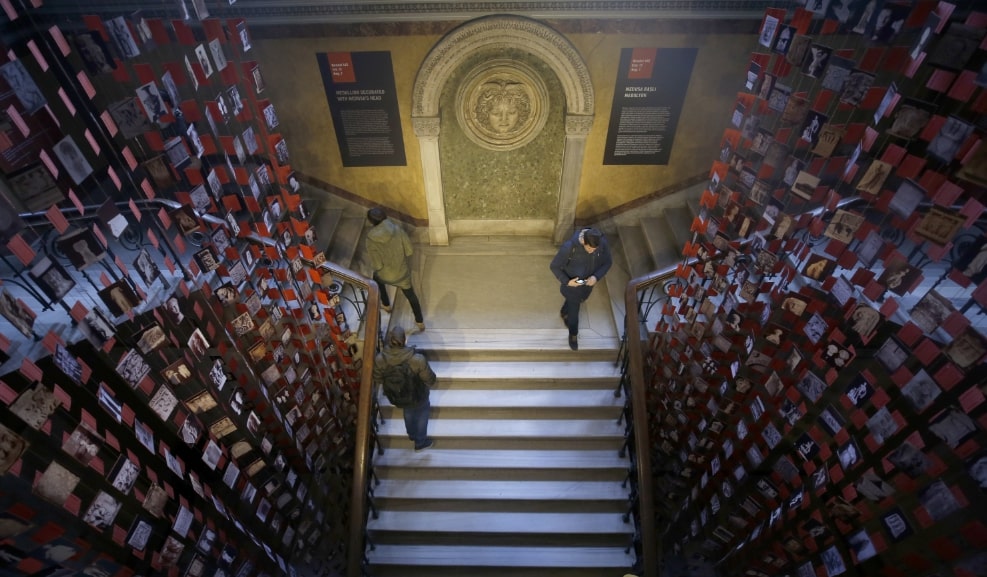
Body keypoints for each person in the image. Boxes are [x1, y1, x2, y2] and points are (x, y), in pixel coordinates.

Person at [373, 326, 436, 451]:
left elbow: (378, 378)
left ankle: (412, 435)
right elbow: (430, 380)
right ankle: (420, 442)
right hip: (419, 396)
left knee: (408, 411)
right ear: (404, 340)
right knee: (422, 414)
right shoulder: (417, 359)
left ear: (389, 341)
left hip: (398, 396)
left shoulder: (381, 359)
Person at [549, 228, 612, 350]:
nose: (592, 252)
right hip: (572, 286)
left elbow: (607, 262)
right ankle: (573, 334)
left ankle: (564, 311)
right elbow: (554, 266)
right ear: (583, 241)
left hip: (587, 285)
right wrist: (567, 281)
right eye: (589, 249)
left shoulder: (601, 243)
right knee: (574, 313)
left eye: (595, 250)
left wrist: (596, 276)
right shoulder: (569, 248)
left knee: (575, 301)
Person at [365, 207, 425, 331]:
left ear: (371, 222)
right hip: (402, 273)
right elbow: (409, 250)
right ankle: (420, 322)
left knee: (376, 278)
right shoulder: (397, 230)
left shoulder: (371, 239)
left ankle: (386, 305)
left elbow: (377, 265)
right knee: (411, 296)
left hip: (385, 274)